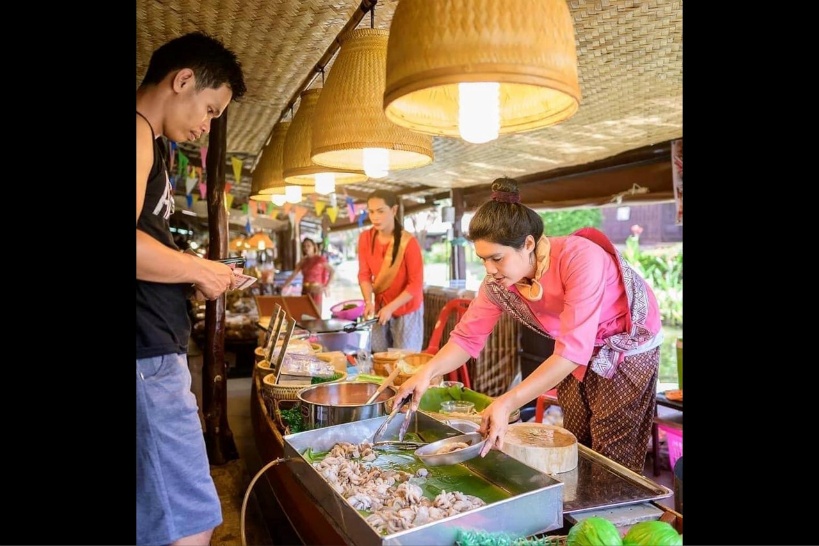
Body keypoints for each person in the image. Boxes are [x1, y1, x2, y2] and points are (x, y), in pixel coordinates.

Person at [395, 177, 663, 473]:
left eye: (497, 258)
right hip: (574, 349)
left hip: (626, 345)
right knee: (573, 439)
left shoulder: (579, 258)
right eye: (483, 259)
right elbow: (465, 338)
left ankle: (610, 515)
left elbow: (572, 351)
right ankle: (575, 513)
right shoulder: (497, 284)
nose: (489, 270)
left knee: (612, 449)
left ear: (528, 244)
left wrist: (507, 402)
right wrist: (426, 373)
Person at [136, 31, 246, 546]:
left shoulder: (152, 146)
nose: (206, 125)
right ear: (182, 80)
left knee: (162, 516)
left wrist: (195, 270)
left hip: (153, 353)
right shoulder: (136, 130)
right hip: (148, 359)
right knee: (191, 520)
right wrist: (198, 270)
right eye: (209, 108)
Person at [358, 189, 425, 353]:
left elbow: (415, 284)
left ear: (393, 210)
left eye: (380, 211)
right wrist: (368, 301)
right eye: (371, 212)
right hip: (380, 310)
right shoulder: (365, 238)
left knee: (403, 364)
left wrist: (391, 308)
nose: (375, 217)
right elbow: (364, 274)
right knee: (380, 359)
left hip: (406, 310)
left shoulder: (408, 242)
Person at [280, 237, 335, 311]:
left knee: (316, 314)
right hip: (305, 290)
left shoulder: (320, 259)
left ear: (314, 247)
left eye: (308, 246)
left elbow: (332, 271)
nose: (306, 248)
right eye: (304, 246)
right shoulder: (303, 261)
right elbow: (293, 275)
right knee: (305, 313)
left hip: (316, 290)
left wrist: (327, 286)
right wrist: (283, 286)